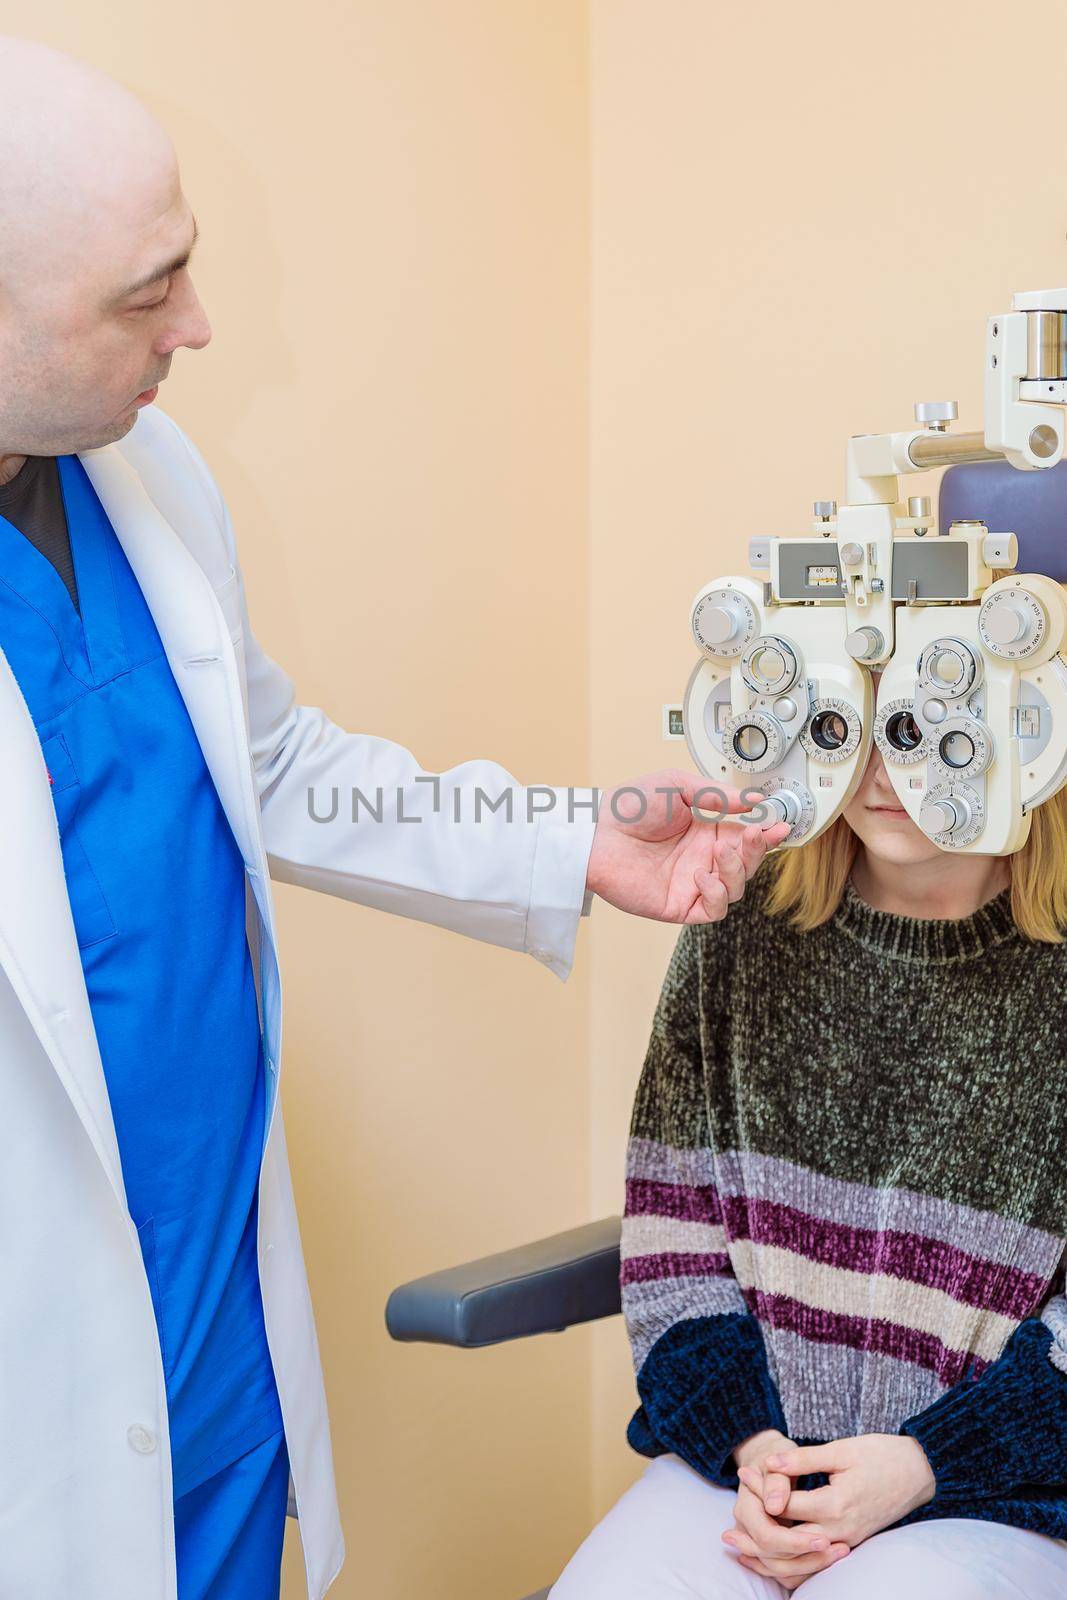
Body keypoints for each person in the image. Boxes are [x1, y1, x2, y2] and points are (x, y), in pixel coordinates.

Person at [0, 35, 786, 1600]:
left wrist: (576, 834)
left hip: (205, 1322)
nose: (200, 328)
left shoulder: (140, 475)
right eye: (145, 296)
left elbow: (273, 770)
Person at [550, 685, 1067, 1598]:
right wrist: (756, 1452)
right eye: (842, 728)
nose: (882, 767)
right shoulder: (739, 929)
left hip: (999, 1489)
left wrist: (923, 1464)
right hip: (751, 1467)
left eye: (921, 726)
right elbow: (676, 1248)